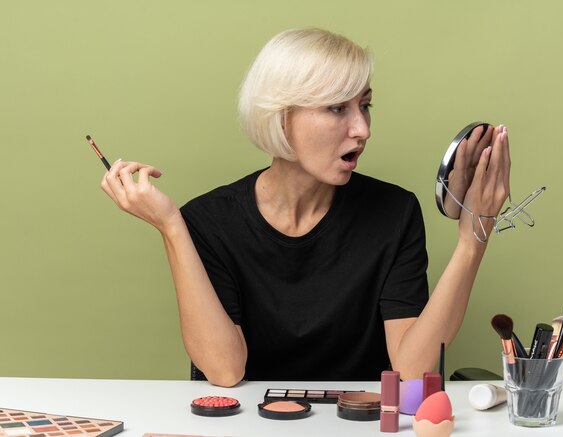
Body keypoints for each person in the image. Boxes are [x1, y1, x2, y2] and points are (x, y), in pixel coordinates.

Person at [100, 28, 510, 387]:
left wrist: (472, 241)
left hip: (358, 422)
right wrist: (172, 227)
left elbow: (413, 371)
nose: (363, 129)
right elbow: (225, 372)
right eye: (337, 108)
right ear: (280, 118)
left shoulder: (394, 212)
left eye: (365, 105)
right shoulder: (208, 221)